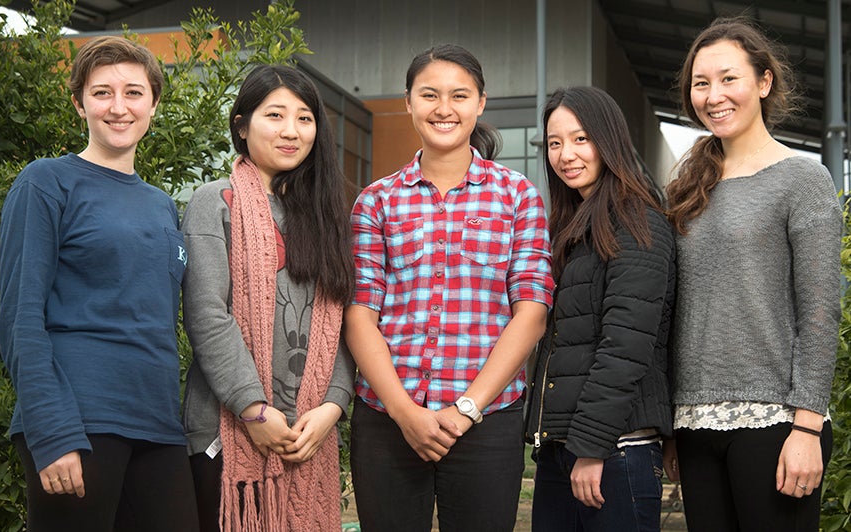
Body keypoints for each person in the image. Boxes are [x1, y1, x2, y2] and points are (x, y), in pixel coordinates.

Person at [344, 43, 555, 532]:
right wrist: (404, 413)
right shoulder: (375, 202)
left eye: (459, 95)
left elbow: (532, 312)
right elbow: (360, 314)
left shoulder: (518, 195)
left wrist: (466, 409)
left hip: (485, 420)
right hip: (387, 419)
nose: (444, 109)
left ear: (480, 103)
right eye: (430, 95)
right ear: (409, 101)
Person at [0, 36, 198, 531]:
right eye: (102, 92)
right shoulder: (46, 182)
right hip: (79, 421)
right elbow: (20, 316)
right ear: (79, 103)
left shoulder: (161, 204)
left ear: (153, 103)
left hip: (158, 424)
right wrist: (52, 430)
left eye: (133, 92)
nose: (118, 107)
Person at [663, 17, 841, 531]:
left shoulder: (802, 178)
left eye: (728, 78)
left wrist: (806, 426)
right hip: (694, 424)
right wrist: (674, 424)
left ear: (763, 82)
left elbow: (819, 310)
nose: (713, 95)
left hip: (777, 423)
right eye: (701, 83)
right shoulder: (687, 188)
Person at [180, 64, 356, 532]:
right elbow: (207, 314)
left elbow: (344, 321)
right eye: (274, 115)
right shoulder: (214, 201)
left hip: (309, 430)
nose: (291, 131)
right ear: (242, 124)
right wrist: (253, 410)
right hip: (227, 431)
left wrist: (332, 407)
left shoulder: (327, 215)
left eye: (304, 118)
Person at [523, 86, 676, 532]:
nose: (565, 154)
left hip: (613, 452)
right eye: (554, 142)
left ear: (609, 140)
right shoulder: (575, 227)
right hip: (565, 448)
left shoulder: (637, 222)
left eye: (580, 139)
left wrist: (592, 449)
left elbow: (625, 347)